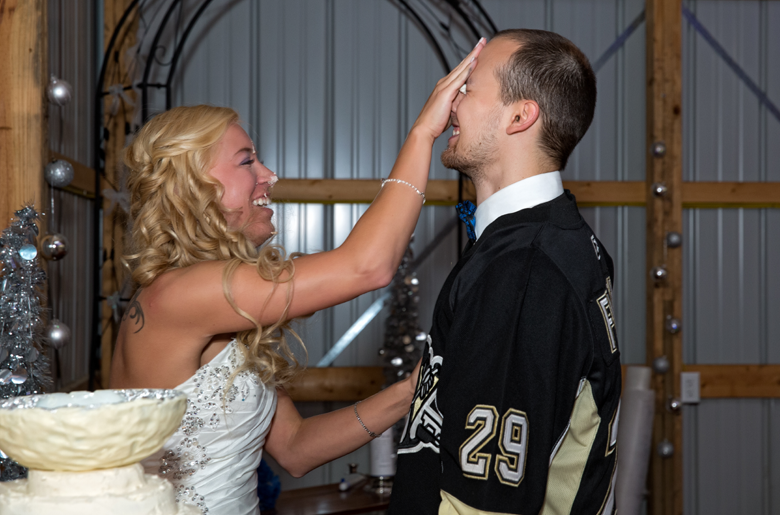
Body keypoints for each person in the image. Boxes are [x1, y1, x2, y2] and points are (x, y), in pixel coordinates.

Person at [109, 40, 486, 515]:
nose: (270, 174)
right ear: (192, 185)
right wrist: (422, 134)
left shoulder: (222, 303)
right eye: (247, 161)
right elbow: (367, 266)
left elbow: (297, 448)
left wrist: (412, 390)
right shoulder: (184, 293)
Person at [388, 29, 622, 515]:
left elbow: (485, 502)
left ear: (520, 115)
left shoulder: (524, 269)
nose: (448, 101)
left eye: (467, 87)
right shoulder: (546, 239)